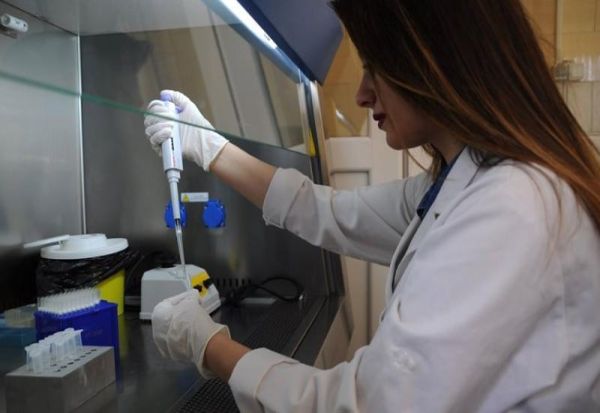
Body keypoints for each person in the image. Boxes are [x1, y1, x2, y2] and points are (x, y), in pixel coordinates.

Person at [144, 0, 600, 411]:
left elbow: (368, 405)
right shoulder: (466, 180)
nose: (362, 94)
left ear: (434, 59)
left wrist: (207, 345)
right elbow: (329, 213)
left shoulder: (512, 207)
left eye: (374, 68)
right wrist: (210, 148)